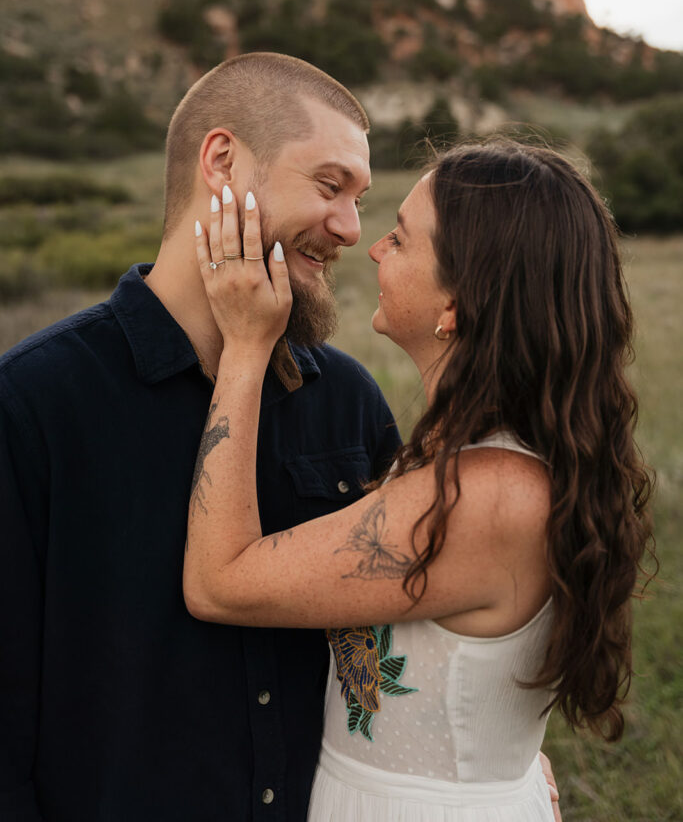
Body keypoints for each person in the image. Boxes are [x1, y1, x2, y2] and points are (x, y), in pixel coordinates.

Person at [183, 139, 654, 821]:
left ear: (457, 304)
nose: (373, 250)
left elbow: (217, 581)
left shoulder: (483, 492)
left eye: (400, 239)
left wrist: (247, 346)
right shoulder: (472, 457)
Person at [0, 53, 402, 821]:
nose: (351, 229)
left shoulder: (348, 402)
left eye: (359, 198)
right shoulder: (32, 404)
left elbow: (391, 660)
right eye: (329, 186)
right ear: (221, 161)